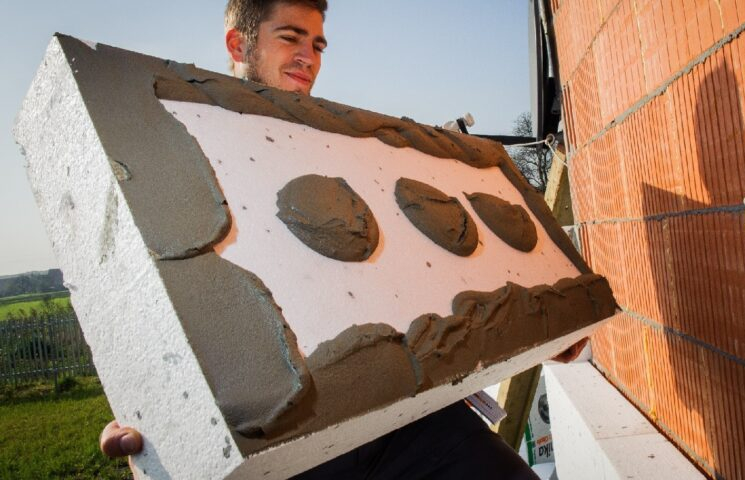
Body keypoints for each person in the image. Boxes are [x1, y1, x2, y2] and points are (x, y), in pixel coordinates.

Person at [100, 1, 588, 477]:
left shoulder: (350, 150)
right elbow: (153, 317)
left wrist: (535, 331)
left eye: (317, 45)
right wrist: (154, 422)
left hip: (420, 423)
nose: (308, 57)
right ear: (238, 44)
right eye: (290, 37)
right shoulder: (176, 154)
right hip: (297, 452)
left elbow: (429, 279)